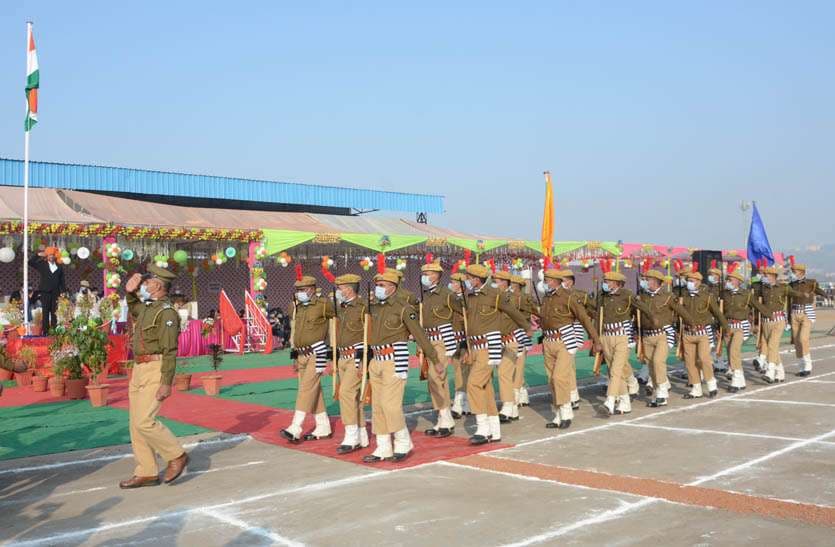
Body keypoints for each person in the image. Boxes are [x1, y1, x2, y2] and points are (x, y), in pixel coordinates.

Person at [119, 265, 188, 489]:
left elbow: (170, 350)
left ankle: (176, 454)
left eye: (148, 282)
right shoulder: (150, 308)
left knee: (145, 421)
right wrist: (129, 292)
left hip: (155, 368)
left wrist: (166, 382)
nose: (144, 285)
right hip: (139, 368)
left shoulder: (166, 313)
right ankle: (147, 471)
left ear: (158, 285)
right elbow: (136, 309)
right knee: (135, 424)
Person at [363, 270, 439, 463]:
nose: (378, 289)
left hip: (395, 359)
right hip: (376, 360)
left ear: (392, 287)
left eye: (382, 285)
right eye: (377, 285)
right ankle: (383, 447)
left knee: (390, 405)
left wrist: (434, 359)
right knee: (378, 406)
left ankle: (403, 441)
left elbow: (420, 335)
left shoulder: (403, 309)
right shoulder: (374, 308)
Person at [462, 264, 530, 444]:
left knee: (473, 384)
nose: (466, 281)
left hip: (489, 345)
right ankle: (494, 429)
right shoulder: (470, 296)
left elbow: (513, 312)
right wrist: (466, 347)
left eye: (468, 277)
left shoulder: (495, 295)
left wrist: (527, 328)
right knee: (485, 388)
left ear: (477, 279)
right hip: (475, 346)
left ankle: (482, 428)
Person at [536, 268, 598, 428]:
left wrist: (595, 340)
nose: (545, 283)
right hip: (548, 341)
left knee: (559, 378)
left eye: (548, 280)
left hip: (565, 340)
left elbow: (584, 318)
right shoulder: (547, 298)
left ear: (556, 281)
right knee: (551, 380)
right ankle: (558, 414)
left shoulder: (569, 297)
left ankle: (566, 412)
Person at [281, 275, 335, 443]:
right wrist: (294, 354)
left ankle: (295, 427)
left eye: (303, 290)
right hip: (301, 353)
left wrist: (333, 351)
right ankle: (323, 425)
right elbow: (294, 330)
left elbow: (335, 323)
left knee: (305, 389)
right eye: (298, 290)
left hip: (317, 352)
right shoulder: (298, 307)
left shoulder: (324, 305)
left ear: (312, 289)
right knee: (314, 390)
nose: (300, 293)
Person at [636, 270, 692, 406]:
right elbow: (637, 316)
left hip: (663, 334)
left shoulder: (667, 297)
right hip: (647, 336)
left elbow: (681, 311)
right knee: (650, 366)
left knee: (658, 362)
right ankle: (658, 390)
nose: (645, 281)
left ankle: (662, 394)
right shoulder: (643, 297)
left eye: (647, 279)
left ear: (655, 281)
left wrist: (692, 324)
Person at [419, 261, 461, 438]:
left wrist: (456, 335)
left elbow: (461, 313)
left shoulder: (447, 294)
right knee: (434, 379)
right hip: (429, 340)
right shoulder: (427, 294)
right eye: (425, 273)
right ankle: (443, 418)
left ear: (437, 275)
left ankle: (446, 418)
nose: (426, 276)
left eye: (429, 273)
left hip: (443, 340)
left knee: (437, 377)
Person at [590, 270, 640, 415]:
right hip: (606, 336)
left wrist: (641, 330)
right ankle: (625, 402)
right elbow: (598, 317)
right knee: (615, 369)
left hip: (621, 336)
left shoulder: (627, 295)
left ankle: (609, 402)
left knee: (615, 371)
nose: (606, 283)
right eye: (605, 281)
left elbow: (641, 309)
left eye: (609, 281)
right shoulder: (602, 296)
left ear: (617, 283)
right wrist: (596, 339)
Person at [332, 274, 370, 454]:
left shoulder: (363, 308)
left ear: (349, 289)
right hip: (342, 356)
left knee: (346, 392)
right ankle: (362, 434)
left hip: (357, 356)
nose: (338, 291)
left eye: (341, 287)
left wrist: (364, 359)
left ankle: (351, 435)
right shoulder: (341, 308)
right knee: (354, 398)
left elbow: (369, 334)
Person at [678, 270, 728, 398]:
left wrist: (725, 327)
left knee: (704, 359)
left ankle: (711, 384)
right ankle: (696, 388)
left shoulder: (707, 296)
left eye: (692, 281)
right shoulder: (684, 296)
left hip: (702, 333)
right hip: (688, 333)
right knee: (690, 362)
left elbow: (717, 313)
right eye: (688, 281)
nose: (689, 283)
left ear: (698, 282)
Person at [558, 269, 592, 409]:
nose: (562, 283)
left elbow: (591, 310)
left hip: (573, 332)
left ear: (570, 282)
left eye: (564, 280)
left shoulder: (580, 295)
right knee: (566, 366)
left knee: (568, 365)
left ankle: (572, 395)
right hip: (559, 333)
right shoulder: (556, 295)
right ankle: (570, 394)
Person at [788, 263, 828, 376]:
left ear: (801, 272)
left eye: (795, 271)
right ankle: (801, 368)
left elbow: (819, 291)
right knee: (796, 342)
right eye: (793, 271)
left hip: (806, 313)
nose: (793, 274)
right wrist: (788, 318)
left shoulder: (811, 283)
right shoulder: (791, 284)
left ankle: (808, 365)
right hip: (794, 314)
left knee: (803, 339)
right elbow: (788, 301)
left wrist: (827, 296)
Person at [721, 268, 755, 392]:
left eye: (730, 280)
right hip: (728, 326)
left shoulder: (746, 294)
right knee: (730, 353)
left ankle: (735, 380)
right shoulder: (725, 293)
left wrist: (759, 320)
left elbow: (756, 306)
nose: (728, 282)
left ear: (738, 282)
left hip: (740, 326)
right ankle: (741, 379)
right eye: (727, 280)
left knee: (734, 351)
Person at [510, 274, 537, 409]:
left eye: (513, 283)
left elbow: (535, 311)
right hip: (512, 331)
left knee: (519, 364)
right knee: (514, 365)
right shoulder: (508, 296)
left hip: (521, 331)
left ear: (518, 285)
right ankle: (521, 392)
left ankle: (518, 393)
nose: (511, 285)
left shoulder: (524, 298)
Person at [28, 247, 66, 334]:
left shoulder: (59, 266)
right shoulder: (42, 264)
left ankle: (54, 330)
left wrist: (63, 291)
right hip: (45, 291)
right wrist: (37, 255)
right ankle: (45, 331)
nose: (51, 257)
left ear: (55, 256)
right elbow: (30, 262)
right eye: (49, 255)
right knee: (45, 312)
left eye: (52, 255)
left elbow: (62, 280)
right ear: (47, 256)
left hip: (56, 292)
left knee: (54, 312)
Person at [449, 272, 471, 419]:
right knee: (458, 371)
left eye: (454, 282)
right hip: (453, 339)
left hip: (465, 340)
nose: (451, 284)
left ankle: (460, 403)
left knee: (465, 372)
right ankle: (463, 402)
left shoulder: (466, 300)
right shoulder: (450, 298)